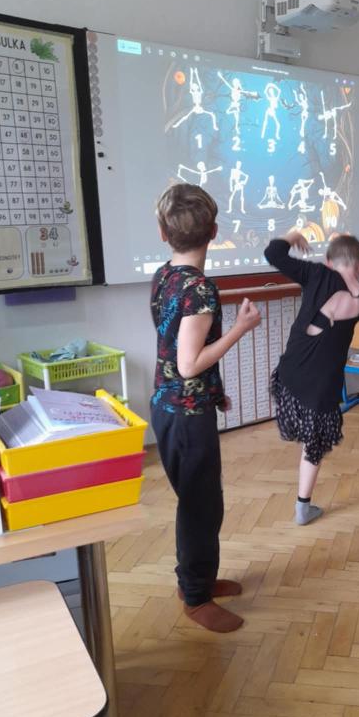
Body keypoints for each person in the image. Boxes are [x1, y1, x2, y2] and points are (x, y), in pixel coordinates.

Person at [150, 184, 261, 633]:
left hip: (172, 406)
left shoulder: (164, 276)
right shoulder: (199, 290)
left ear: (163, 233)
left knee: (197, 502)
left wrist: (213, 391)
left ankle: (195, 580)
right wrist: (240, 328)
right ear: (214, 232)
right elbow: (189, 362)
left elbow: (175, 348)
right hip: (185, 416)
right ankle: (195, 597)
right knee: (201, 507)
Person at [265, 230, 359, 525]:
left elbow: (273, 254)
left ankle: (300, 430)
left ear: (328, 261)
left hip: (293, 371)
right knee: (313, 445)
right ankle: (303, 507)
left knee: (303, 424)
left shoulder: (316, 274)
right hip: (323, 386)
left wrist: (292, 236)